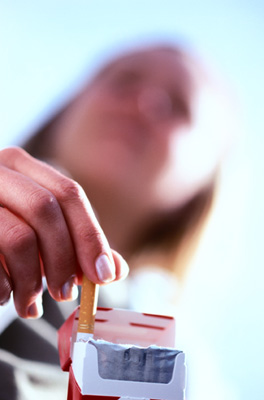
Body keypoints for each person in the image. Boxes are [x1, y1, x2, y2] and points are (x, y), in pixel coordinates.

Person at [0, 42, 234, 399]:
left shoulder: (199, 382)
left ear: (200, 191)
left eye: (179, 106)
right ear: (65, 112)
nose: (143, 104)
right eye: (124, 80)